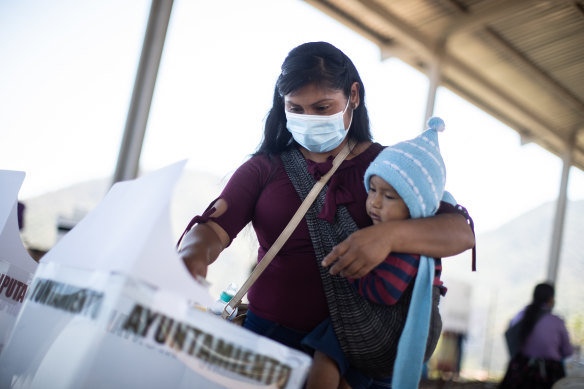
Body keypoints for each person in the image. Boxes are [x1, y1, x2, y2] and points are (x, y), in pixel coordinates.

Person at [177, 41, 475, 388]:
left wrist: (387, 236)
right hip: (267, 345)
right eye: (296, 109)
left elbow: (459, 232)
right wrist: (191, 255)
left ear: (353, 96)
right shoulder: (264, 168)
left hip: (358, 354)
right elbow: (213, 229)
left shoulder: (390, 169)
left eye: (322, 107)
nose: (310, 120)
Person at [302, 117, 451, 389]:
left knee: (326, 355)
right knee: (351, 378)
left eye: (390, 196)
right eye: (372, 190)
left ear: (416, 205)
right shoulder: (419, 240)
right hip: (387, 343)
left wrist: (348, 275)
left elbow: (386, 291)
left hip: (383, 326)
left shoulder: (407, 247)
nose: (375, 202)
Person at [499, 283, 573, 389]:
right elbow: (568, 351)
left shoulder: (519, 316)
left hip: (519, 373)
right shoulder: (556, 321)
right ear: (551, 300)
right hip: (548, 375)